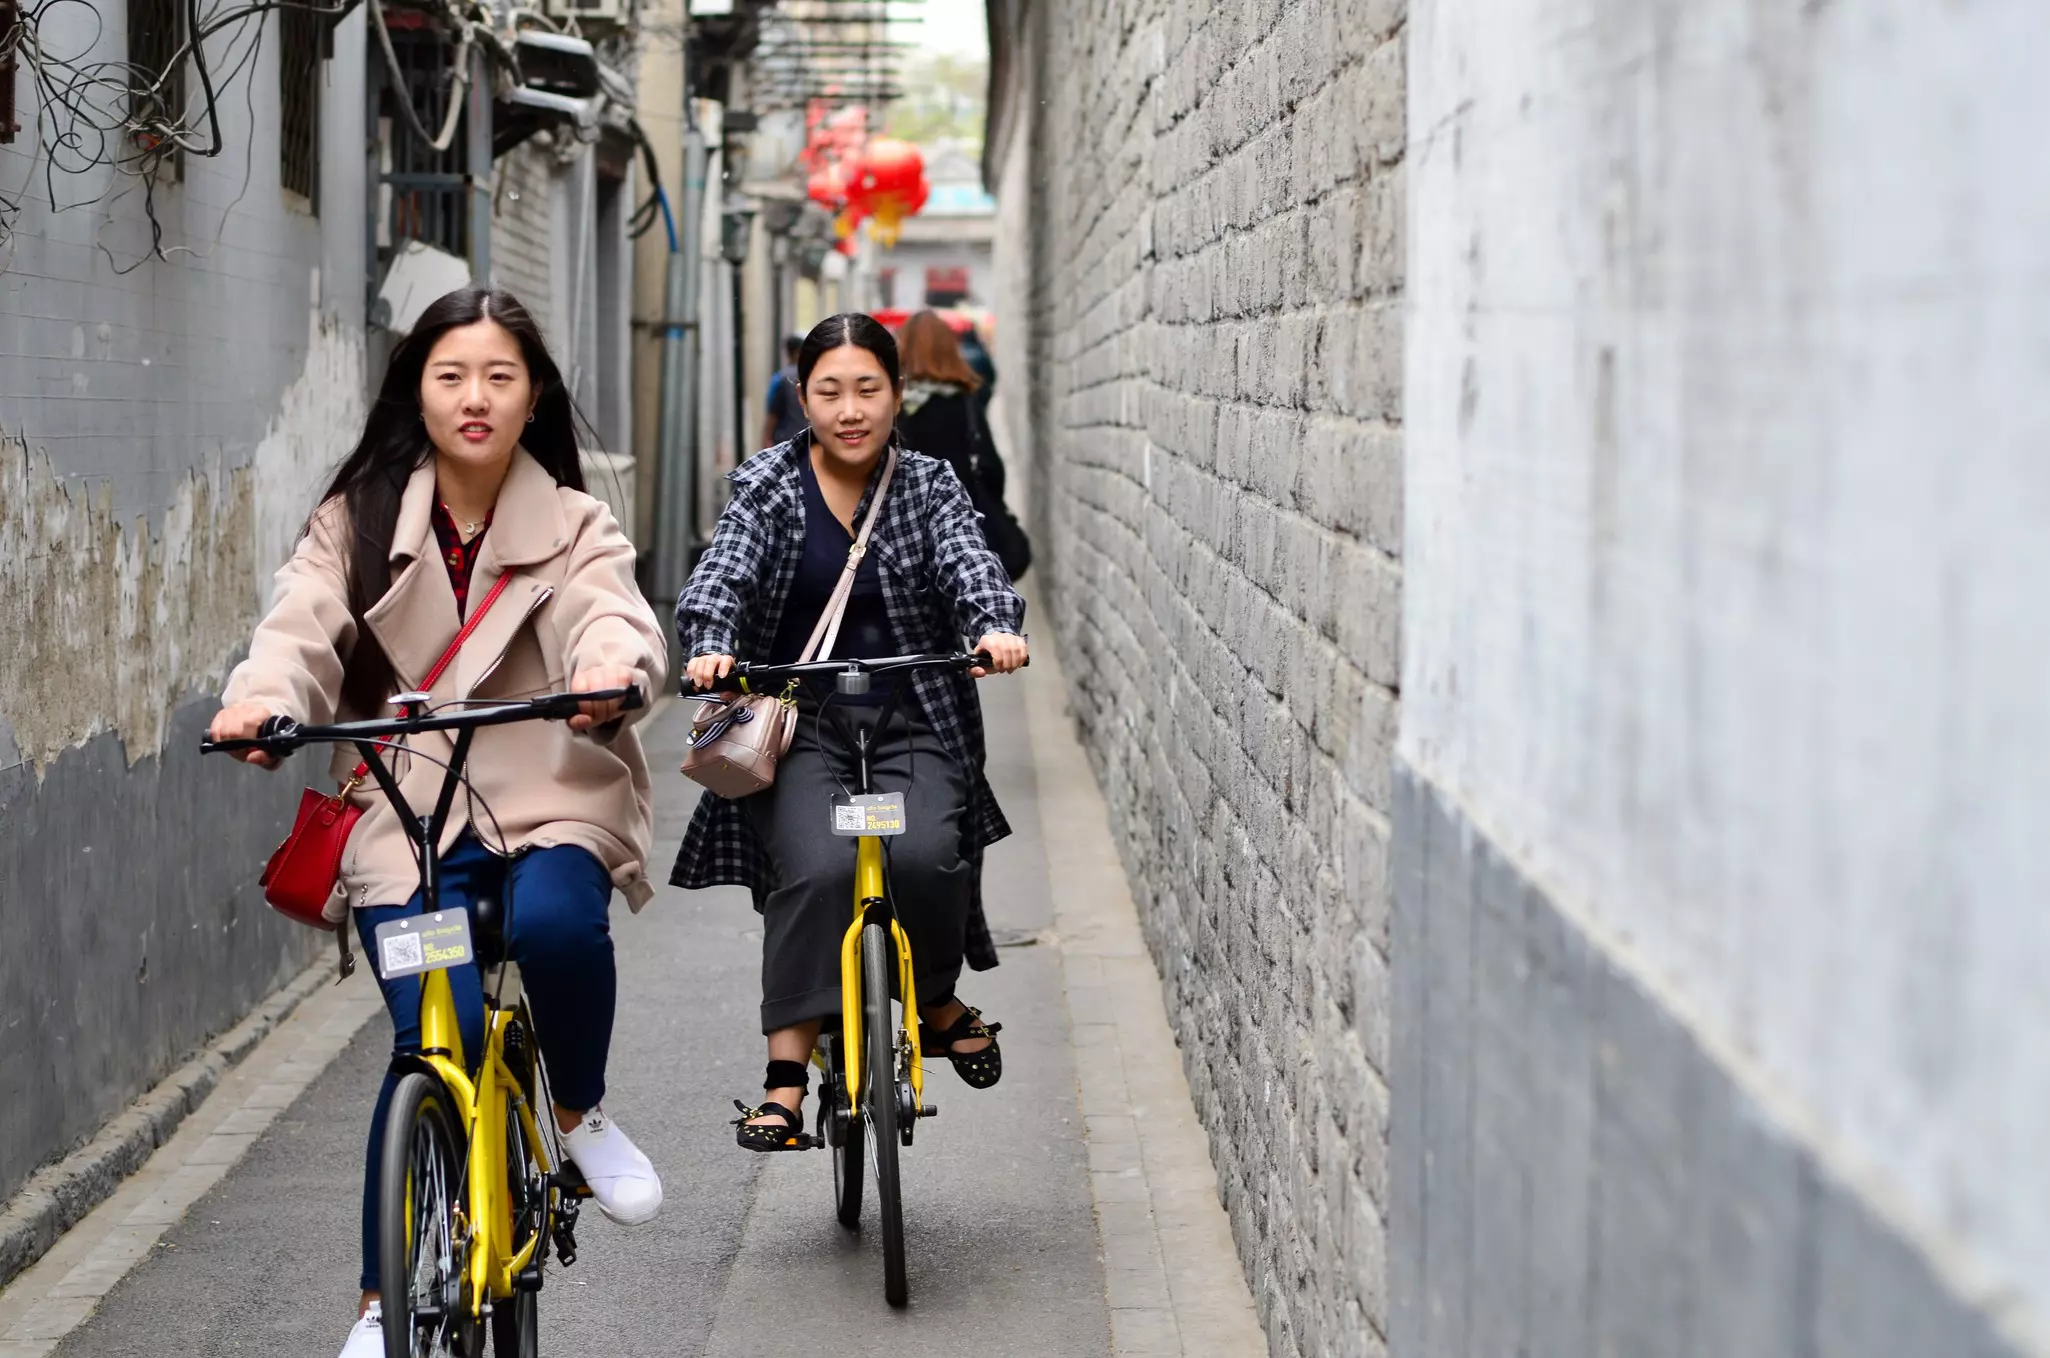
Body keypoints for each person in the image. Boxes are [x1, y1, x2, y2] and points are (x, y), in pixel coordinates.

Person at [207, 286, 669, 1358]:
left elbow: (610, 607)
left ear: (533, 394)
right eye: (451, 374)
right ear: (416, 389)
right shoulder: (357, 520)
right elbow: (300, 622)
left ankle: (578, 1113)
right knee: (434, 1029)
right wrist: (261, 696)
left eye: (499, 376)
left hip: (546, 782)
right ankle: (381, 1302)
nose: (475, 397)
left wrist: (611, 667)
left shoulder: (573, 520)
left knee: (558, 925)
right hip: (405, 806)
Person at [673, 312, 1029, 1152]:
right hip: (800, 725)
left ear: (898, 393)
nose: (850, 409)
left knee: (931, 858)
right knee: (817, 867)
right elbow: (723, 571)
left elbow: (970, 560)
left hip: (917, 713)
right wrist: (713, 644)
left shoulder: (929, 484)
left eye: (868, 388)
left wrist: (992, 624)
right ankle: (786, 1080)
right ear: (803, 398)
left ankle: (934, 1000)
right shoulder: (766, 483)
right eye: (829, 391)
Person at [894, 309, 1032, 581]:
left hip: (904, 529)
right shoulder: (965, 401)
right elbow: (990, 464)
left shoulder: (891, 405)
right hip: (961, 526)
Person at [761, 334, 807, 450]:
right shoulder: (811, 375)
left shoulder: (779, 378)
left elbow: (773, 413)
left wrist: (765, 439)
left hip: (785, 440)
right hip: (809, 438)